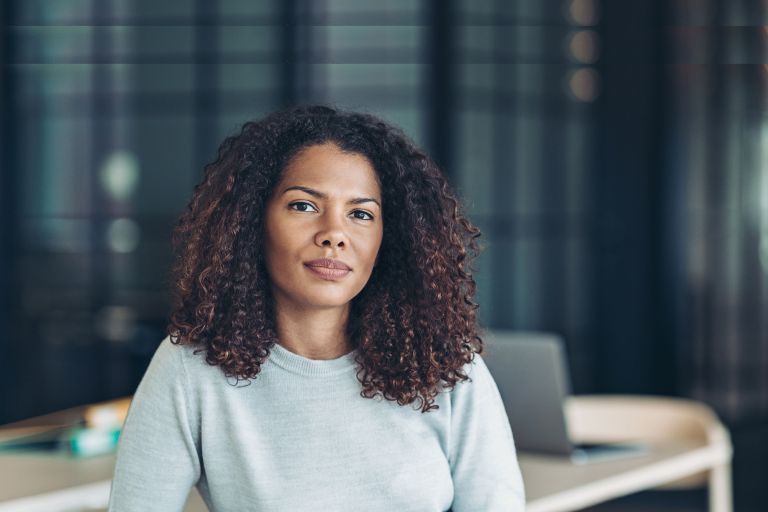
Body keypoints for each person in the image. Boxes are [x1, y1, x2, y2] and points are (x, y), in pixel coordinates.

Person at [108, 105, 525, 511]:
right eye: (304, 206)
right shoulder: (191, 370)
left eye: (361, 214)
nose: (334, 235)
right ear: (253, 220)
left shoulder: (444, 365)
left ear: (388, 239)